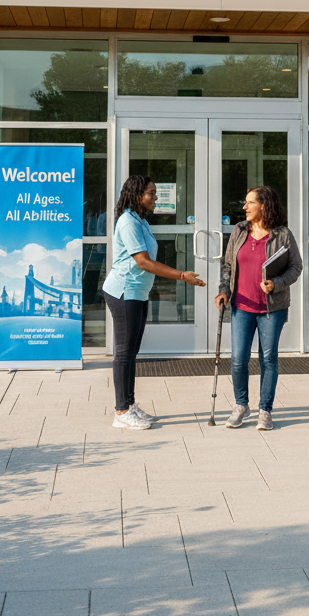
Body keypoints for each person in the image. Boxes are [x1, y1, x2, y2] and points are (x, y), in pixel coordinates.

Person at [103, 175, 205, 430]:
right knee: (124, 353)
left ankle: (129, 404)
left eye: (156, 192)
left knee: (132, 351)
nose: (155, 197)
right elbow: (143, 262)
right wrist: (182, 276)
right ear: (137, 195)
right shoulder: (128, 222)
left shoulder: (140, 220)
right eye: (151, 193)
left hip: (138, 291)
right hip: (124, 291)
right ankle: (121, 411)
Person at [214, 186, 303, 431]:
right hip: (241, 305)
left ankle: (265, 410)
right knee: (239, 359)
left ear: (263, 205)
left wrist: (277, 283)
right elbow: (228, 265)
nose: (245, 207)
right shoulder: (239, 230)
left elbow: (296, 267)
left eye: (249, 202)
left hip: (271, 308)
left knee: (268, 358)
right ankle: (241, 405)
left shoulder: (282, 234)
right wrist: (224, 290)